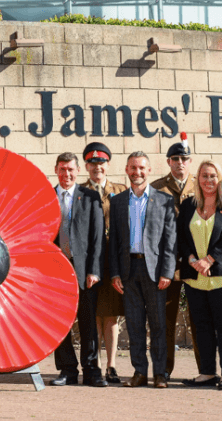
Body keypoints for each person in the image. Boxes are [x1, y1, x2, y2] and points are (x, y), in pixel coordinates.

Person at [109, 152, 177, 389]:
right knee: (135, 325)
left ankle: (160, 374)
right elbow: (115, 242)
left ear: (149, 171)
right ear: (127, 170)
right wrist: (115, 273)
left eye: (141, 168)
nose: (137, 172)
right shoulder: (117, 202)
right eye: (133, 168)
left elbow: (170, 240)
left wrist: (168, 272)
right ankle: (139, 372)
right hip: (129, 270)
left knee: (158, 324)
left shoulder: (164, 200)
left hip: (155, 271)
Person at [177, 160, 222, 391]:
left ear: (220, 178)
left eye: (213, 176)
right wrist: (191, 260)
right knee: (202, 325)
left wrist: (210, 259)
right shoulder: (188, 205)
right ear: (198, 178)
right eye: (204, 176)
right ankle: (207, 372)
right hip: (195, 277)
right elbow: (181, 237)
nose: (208, 181)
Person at [50, 152, 107, 387]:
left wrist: (95, 270)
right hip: (54, 269)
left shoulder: (91, 197)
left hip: (83, 270)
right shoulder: (47, 197)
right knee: (59, 322)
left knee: (87, 322)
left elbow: (97, 238)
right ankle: (67, 370)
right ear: (56, 170)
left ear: (78, 171)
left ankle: (92, 371)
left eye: (71, 169)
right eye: (62, 169)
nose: (67, 174)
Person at [150, 133, 202, 379]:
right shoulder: (157, 188)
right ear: (168, 161)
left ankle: (206, 371)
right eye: (175, 158)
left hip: (196, 263)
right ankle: (164, 369)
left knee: (200, 318)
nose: (180, 162)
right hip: (167, 264)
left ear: (190, 161)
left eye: (184, 158)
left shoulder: (201, 185)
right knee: (164, 320)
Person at [80, 142, 127, 384]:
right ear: (86, 166)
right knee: (92, 316)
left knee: (110, 317)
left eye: (101, 163)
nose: (97, 167)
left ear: (107, 165)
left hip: (112, 260)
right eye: (93, 163)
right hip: (89, 261)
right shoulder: (79, 192)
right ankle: (94, 364)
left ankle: (111, 365)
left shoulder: (120, 190)